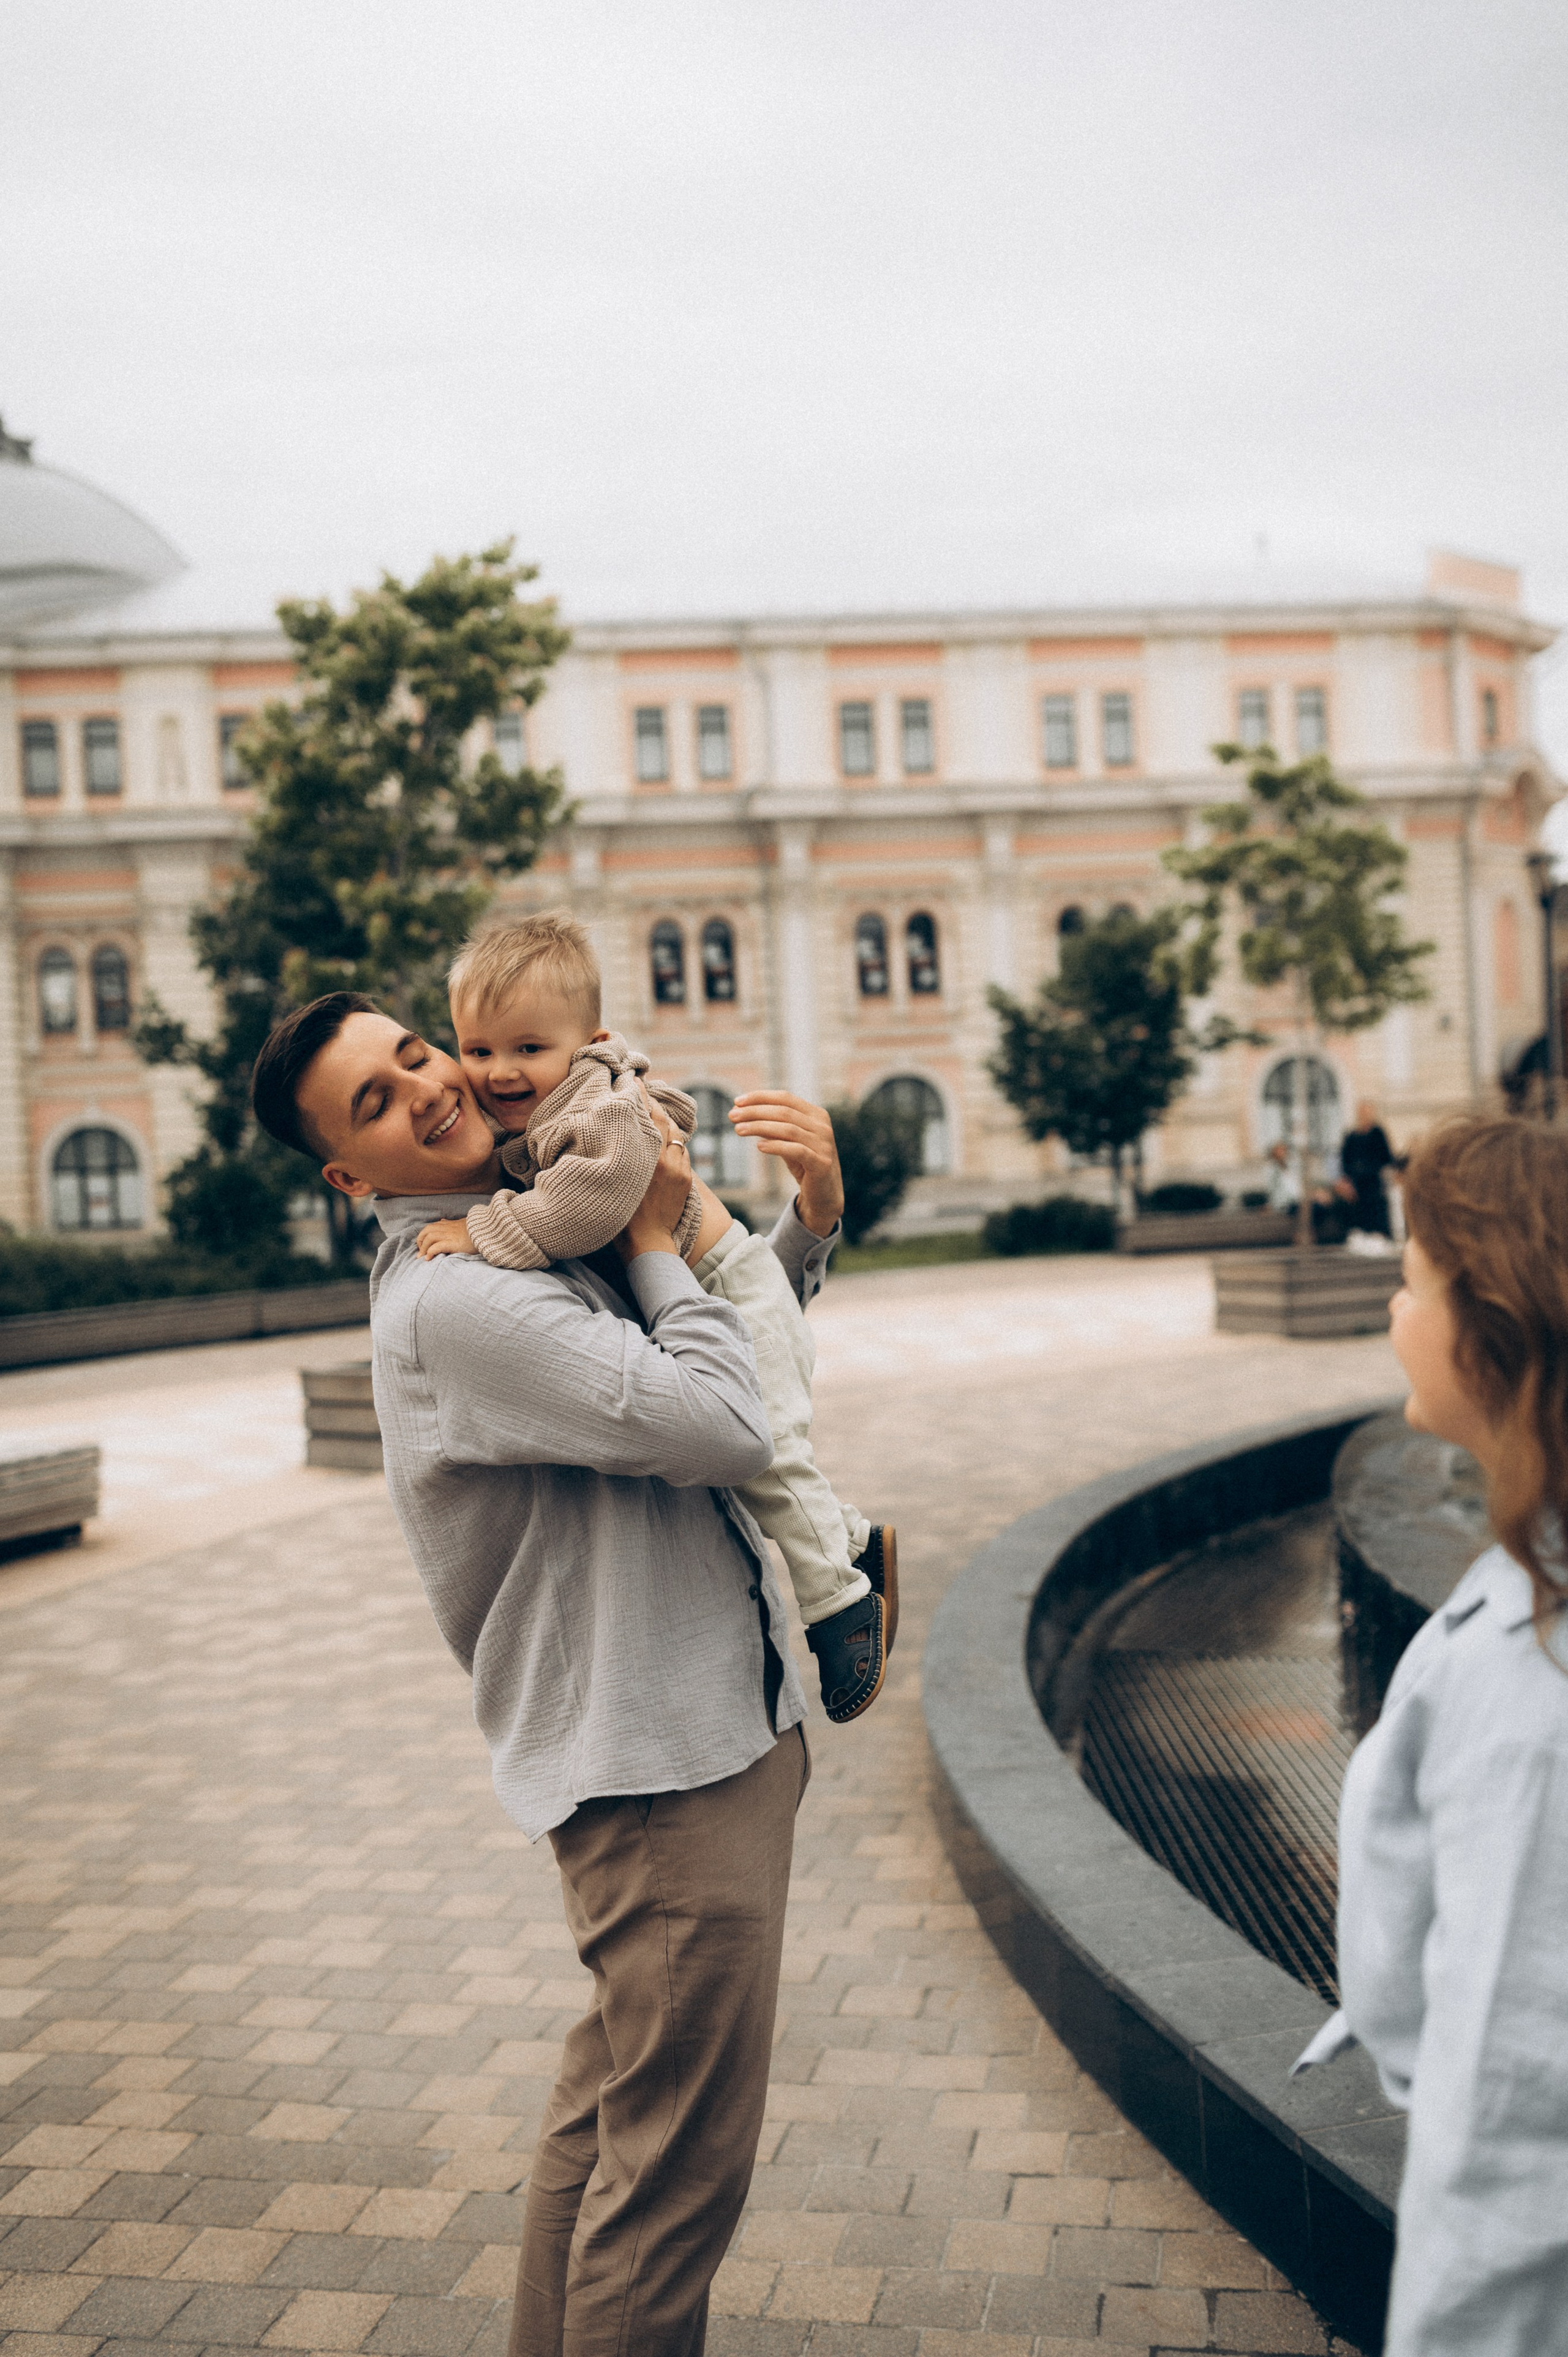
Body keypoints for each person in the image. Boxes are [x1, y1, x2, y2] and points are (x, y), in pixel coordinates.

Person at [249, 992, 854, 2357]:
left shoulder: (530, 1216)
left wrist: (803, 1221)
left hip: (681, 1749)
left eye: (414, 1051)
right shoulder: (458, 1295)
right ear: (350, 1177)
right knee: (669, 2196)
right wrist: (650, 1233)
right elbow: (715, 1417)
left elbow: (694, 1337)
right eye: (373, 1101)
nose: (425, 1087)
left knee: (606, 2136)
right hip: (664, 1784)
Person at [412, 913, 894, 1723]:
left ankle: (839, 1601)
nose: (499, 1072)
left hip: (735, 1290)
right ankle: (852, 1540)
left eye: (529, 1049)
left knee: (772, 1457)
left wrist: (480, 1230)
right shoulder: (553, 1108)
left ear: (589, 1041)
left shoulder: (600, 1112)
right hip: (719, 1290)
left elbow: (580, 1213)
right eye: (480, 1049)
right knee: (775, 1465)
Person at [1296, 1117, 1568, 2355]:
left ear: (1491, 1326)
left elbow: (1513, 2104)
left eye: (1410, 1283)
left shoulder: (1535, 1675)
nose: (1393, 1310)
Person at [1337, 1099, 1396, 1237]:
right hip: (1357, 1182)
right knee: (1359, 1211)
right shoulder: (1352, 1136)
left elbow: (1386, 1157)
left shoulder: (1377, 1133)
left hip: (1374, 1181)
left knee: (1375, 1209)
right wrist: (1347, 1180)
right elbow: (1345, 1160)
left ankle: (1378, 1235)